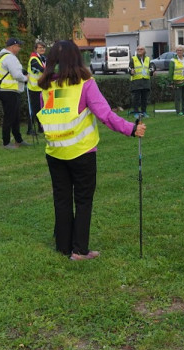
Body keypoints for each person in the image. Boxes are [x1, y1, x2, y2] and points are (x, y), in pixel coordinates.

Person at [36, 40, 146, 260]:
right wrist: (131, 129)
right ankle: (79, 250)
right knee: (83, 200)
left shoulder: (46, 87)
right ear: (77, 58)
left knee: (62, 199)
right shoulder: (85, 84)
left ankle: (63, 246)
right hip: (82, 153)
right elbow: (105, 115)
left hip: (55, 153)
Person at [0, 37, 29, 149]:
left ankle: (18, 139)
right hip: (10, 91)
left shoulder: (4, 57)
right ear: (12, 46)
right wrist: (26, 78)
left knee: (14, 117)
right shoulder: (10, 58)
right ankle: (6, 143)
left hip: (7, 90)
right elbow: (16, 75)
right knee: (10, 117)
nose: (19, 48)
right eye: (18, 46)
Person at [26, 41, 46, 136]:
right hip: (33, 88)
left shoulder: (43, 58)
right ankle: (30, 129)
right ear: (36, 49)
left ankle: (40, 127)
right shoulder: (34, 59)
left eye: (43, 47)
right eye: (40, 48)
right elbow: (41, 69)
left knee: (40, 109)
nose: (42, 49)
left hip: (41, 88)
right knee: (33, 110)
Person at [128, 45, 154, 118]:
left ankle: (144, 112)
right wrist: (131, 71)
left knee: (144, 98)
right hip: (136, 81)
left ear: (144, 51)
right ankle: (136, 112)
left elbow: (151, 67)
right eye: (138, 49)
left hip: (145, 81)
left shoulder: (148, 59)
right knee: (136, 98)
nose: (139, 50)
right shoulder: (133, 59)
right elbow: (129, 68)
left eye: (141, 49)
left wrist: (152, 71)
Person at [168, 45, 184, 116]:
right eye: (177, 50)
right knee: (178, 98)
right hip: (177, 82)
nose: (179, 52)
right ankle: (178, 111)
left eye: (180, 50)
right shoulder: (173, 60)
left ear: (183, 51)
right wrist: (171, 82)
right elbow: (171, 72)